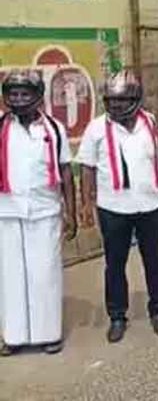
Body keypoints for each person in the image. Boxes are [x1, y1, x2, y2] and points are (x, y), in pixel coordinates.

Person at [77, 70, 158, 343]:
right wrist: (86, 203)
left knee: (154, 260)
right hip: (112, 207)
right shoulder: (97, 128)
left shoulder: (151, 122)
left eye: (123, 100)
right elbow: (87, 168)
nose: (117, 105)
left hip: (150, 204)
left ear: (135, 99)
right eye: (112, 100)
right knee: (115, 263)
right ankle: (117, 316)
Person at [0, 70, 76, 356]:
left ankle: (48, 334)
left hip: (45, 211)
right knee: (10, 276)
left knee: (44, 273)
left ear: (38, 97)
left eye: (24, 94)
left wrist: (72, 212)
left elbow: (66, 171)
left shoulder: (54, 129)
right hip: (6, 212)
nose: (18, 100)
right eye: (12, 95)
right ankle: (14, 336)